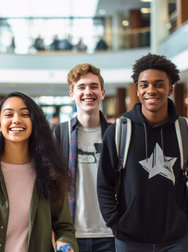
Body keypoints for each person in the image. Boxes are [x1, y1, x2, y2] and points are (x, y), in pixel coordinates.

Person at [98, 53, 188, 251]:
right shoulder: (118, 131)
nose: (151, 90)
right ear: (138, 90)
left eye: (158, 84)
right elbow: (104, 184)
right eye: (144, 85)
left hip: (175, 239)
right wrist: (115, 224)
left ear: (170, 89)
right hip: (129, 238)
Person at [0, 92, 78, 252]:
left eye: (25, 114)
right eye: (9, 114)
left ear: (34, 123)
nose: (16, 119)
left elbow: (64, 227)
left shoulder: (50, 171)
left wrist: (64, 244)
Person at [53, 63, 113, 251]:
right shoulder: (61, 133)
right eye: (81, 87)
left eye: (94, 86)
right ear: (72, 94)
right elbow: (51, 185)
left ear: (102, 93)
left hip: (111, 235)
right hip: (71, 235)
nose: (88, 92)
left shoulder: (116, 134)